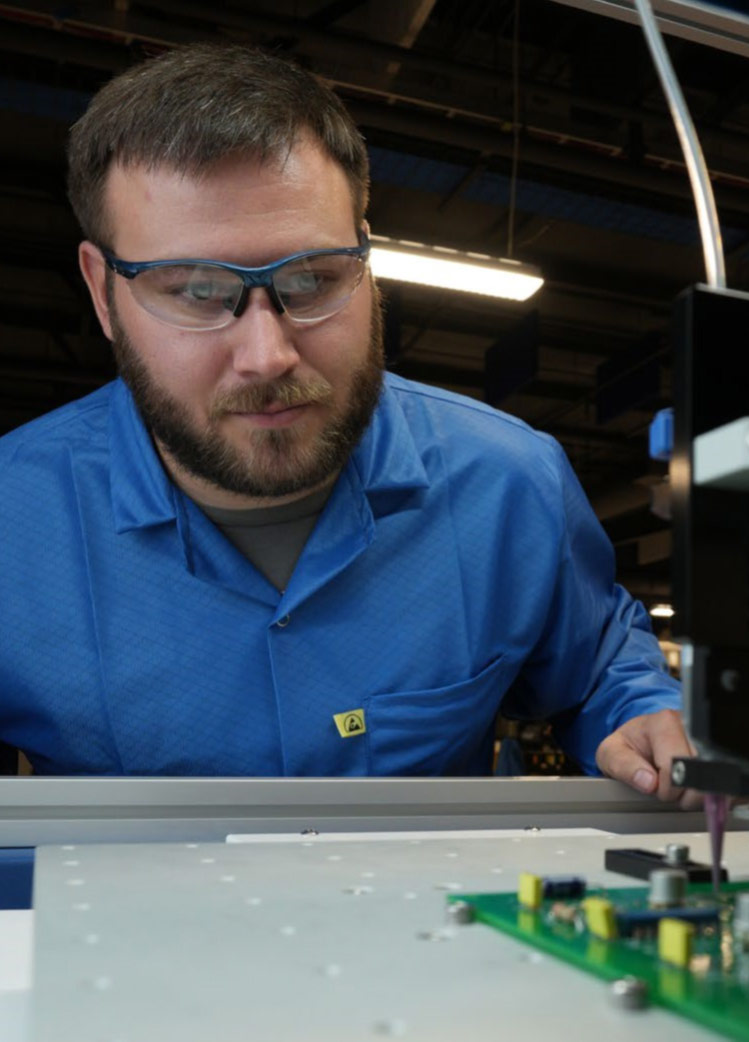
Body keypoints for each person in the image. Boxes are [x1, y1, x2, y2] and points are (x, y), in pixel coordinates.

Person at [0, 43, 696, 803]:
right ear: (103, 294)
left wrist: (638, 718)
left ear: (366, 254)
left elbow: (598, 672)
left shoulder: (508, 484)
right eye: (197, 291)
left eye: (312, 280)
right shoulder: (14, 519)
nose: (267, 355)